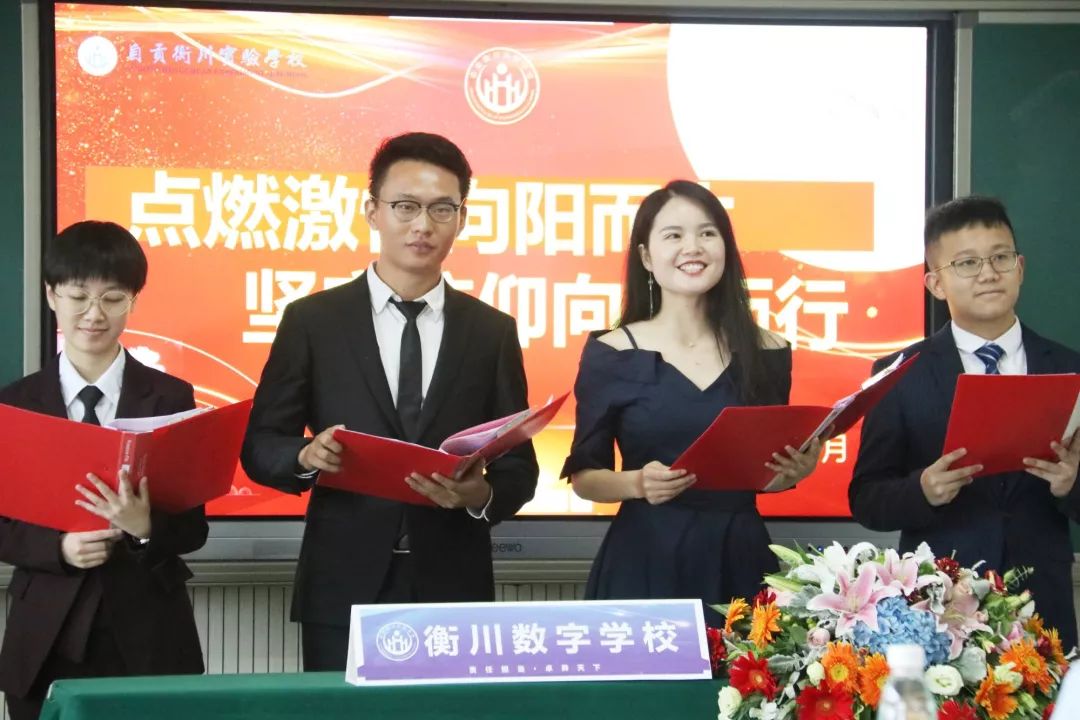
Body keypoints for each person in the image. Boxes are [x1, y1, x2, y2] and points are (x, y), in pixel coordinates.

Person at [240, 132, 539, 671]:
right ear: (372, 212)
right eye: (405, 206)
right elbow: (261, 444)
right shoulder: (313, 322)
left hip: (453, 587)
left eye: (441, 209)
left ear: (462, 218)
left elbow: (519, 467)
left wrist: (478, 494)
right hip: (343, 583)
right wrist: (304, 457)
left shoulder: (491, 331)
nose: (423, 225)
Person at [562, 180, 822, 622]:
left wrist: (796, 471)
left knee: (749, 667)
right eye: (673, 235)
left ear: (726, 248)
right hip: (646, 557)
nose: (693, 247)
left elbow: (766, 479)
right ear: (646, 256)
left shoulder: (768, 350)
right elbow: (585, 477)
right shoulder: (613, 352)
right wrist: (637, 484)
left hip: (739, 555)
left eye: (707, 233)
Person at [849, 196, 1080, 649]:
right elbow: (867, 498)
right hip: (940, 610)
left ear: (1020, 268)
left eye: (1000, 257)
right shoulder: (899, 374)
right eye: (968, 263)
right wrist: (922, 490)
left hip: (1044, 605)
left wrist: (1071, 484)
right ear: (936, 283)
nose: (989, 273)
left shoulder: (1069, 368)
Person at [0, 221, 207, 720]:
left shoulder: (171, 397)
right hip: (45, 632)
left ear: (133, 300)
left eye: (112, 299)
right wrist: (58, 548)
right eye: (78, 297)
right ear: (52, 295)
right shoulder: (15, 404)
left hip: (149, 634)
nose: (94, 314)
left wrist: (144, 528)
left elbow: (193, 528)